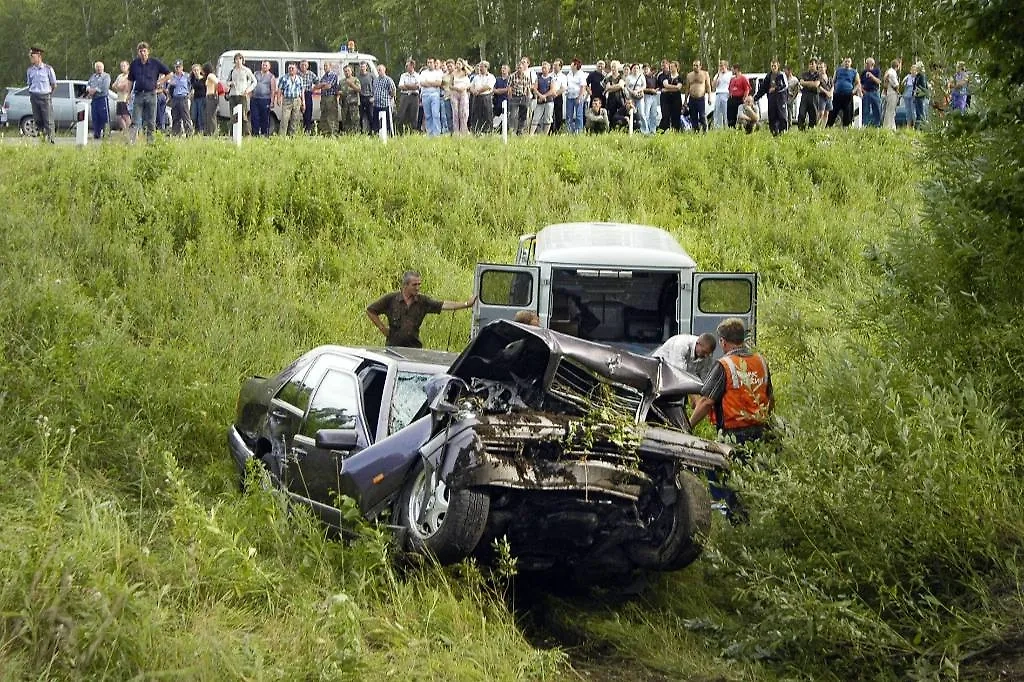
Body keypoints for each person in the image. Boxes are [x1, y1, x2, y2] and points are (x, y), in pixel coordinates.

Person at [689, 318, 773, 445]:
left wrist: (688, 427)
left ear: (723, 341)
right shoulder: (760, 361)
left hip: (733, 434)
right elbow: (770, 397)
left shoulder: (724, 364)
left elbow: (706, 402)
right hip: (761, 431)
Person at [366, 271, 477, 348]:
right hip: (393, 348)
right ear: (405, 285)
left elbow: (443, 305)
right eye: (414, 285)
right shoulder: (391, 299)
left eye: (419, 284)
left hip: (414, 349)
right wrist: (382, 328)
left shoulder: (422, 301)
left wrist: (466, 304)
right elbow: (371, 310)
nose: (418, 288)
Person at [127, 42, 171, 143]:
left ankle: (150, 143)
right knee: (135, 120)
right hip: (138, 94)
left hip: (151, 94)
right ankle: (131, 141)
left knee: (151, 120)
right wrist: (128, 94)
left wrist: (160, 82)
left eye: (144, 51)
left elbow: (169, 73)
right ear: (138, 53)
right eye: (140, 51)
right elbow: (130, 80)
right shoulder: (134, 64)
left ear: (148, 52)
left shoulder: (155, 63)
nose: (143, 53)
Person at [652, 333, 717, 380]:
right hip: (658, 370)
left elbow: (705, 376)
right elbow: (679, 374)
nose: (706, 356)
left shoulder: (707, 354)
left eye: (708, 354)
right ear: (697, 344)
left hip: (677, 375)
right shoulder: (681, 345)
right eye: (704, 352)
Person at [26, 47, 56, 143]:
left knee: (48, 120)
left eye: (33, 56)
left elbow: (54, 84)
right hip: (34, 96)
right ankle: (42, 139)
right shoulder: (30, 70)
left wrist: (49, 94)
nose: (31, 58)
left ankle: (51, 140)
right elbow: (29, 83)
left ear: (39, 56)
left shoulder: (48, 69)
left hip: (45, 96)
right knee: (38, 120)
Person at [225, 52, 256, 136]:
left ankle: (246, 134)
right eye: (236, 59)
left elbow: (254, 81)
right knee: (233, 116)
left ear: (242, 60)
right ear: (234, 61)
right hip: (233, 95)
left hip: (242, 95)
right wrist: (230, 83)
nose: (238, 61)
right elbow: (227, 82)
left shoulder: (246, 70)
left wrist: (248, 90)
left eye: (240, 59)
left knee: (243, 116)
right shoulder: (232, 71)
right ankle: (232, 135)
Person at [754, 59, 788, 136]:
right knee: (772, 117)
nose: (773, 67)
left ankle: (783, 132)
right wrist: (755, 98)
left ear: (778, 66)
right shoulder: (768, 76)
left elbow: (784, 86)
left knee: (782, 117)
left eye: (775, 66)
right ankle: (774, 133)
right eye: (772, 66)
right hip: (771, 99)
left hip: (780, 99)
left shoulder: (782, 75)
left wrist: (775, 89)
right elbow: (763, 89)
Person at [826, 57, 859, 128]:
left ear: (851, 63)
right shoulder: (838, 70)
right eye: (846, 61)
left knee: (847, 112)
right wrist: (833, 89)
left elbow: (858, 83)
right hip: (837, 94)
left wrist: (853, 91)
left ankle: (846, 127)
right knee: (833, 111)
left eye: (848, 62)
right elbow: (833, 81)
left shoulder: (854, 72)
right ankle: (828, 126)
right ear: (844, 62)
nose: (847, 63)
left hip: (848, 95)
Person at [276, 63, 304, 135]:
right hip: (287, 100)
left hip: (297, 100)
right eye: (289, 68)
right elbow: (279, 89)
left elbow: (302, 91)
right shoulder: (284, 78)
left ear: (296, 69)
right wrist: (278, 99)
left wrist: (303, 102)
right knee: (284, 119)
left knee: (295, 119)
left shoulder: (300, 79)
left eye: (292, 68)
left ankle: (293, 136)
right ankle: (282, 137)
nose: (291, 70)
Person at [85, 60, 111, 140]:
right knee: (95, 117)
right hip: (94, 99)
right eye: (97, 67)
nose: (99, 68)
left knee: (104, 117)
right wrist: (89, 89)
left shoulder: (106, 76)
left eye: (100, 67)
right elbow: (88, 84)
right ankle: (96, 134)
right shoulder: (93, 76)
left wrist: (95, 90)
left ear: (103, 67)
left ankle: (106, 134)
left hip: (102, 99)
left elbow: (105, 87)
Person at [250, 60, 277, 137]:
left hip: (265, 99)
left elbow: (273, 90)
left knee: (265, 117)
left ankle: (264, 133)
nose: (264, 66)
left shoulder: (271, 77)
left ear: (269, 67)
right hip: (255, 99)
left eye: (266, 65)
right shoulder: (255, 74)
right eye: (263, 65)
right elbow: (251, 84)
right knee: (254, 117)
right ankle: (255, 133)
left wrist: (272, 101)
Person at [685, 59, 711, 132]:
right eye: (694, 65)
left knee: (702, 116)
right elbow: (687, 88)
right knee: (693, 117)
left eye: (697, 65)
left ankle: (705, 131)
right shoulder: (689, 75)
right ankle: (695, 132)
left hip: (700, 99)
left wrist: (709, 97)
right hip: (692, 99)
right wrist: (685, 100)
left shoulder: (705, 74)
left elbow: (708, 86)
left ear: (700, 66)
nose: (695, 67)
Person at [469, 61, 495, 134]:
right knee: (476, 115)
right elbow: (471, 86)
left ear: (486, 67)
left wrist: (479, 91)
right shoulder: (476, 77)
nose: (480, 68)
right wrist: (473, 91)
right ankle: (476, 131)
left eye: (481, 66)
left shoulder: (491, 77)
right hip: (476, 97)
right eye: (479, 66)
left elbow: (488, 86)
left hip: (486, 97)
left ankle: (488, 131)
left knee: (487, 115)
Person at [167, 60, 192, 135]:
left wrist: (189, 94)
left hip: (183, 97)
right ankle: (176, 133)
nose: (177, 69)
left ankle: (189, 133)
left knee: (186, 116)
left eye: (179, 67)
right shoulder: (172, 77)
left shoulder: (187, 76)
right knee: (175, 116)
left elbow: (191, 86)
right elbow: (169, 89)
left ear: (182, 67)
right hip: (175, 98)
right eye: (176, 67)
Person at [396, 59, 421, 135]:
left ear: (412, 66)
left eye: (407, 65)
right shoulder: (403, 75)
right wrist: (412, 86)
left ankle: (413, 132)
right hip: (405, 96)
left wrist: (406, 85)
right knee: (401, 115)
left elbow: (418, 87)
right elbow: (400, 86)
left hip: (414, 97)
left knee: (413, 116)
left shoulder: (417, 75)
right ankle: (400, 132)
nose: (406, 67)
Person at [371, 64, 396, 135]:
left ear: (384, 70)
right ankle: (377, 134)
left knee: (387, 121)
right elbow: (374, 91)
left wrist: (389, 97)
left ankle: (390, 135)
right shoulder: (375, 80)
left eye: (380, 70)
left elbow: (393, 90)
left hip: (385, 104)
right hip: (376, 105)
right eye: (378, 70)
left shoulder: (388, 80)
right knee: (376, 122)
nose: (379, 72)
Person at [795, 58, 820, 130]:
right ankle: (801, 130)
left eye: (812, 64)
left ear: (816, 65)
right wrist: (810, 83)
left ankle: (811, 131)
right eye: (810, 64)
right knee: (801, 114)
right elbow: (801, 82)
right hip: (805, 96)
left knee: (813, 116)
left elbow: (816, 84)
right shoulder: (804, 74)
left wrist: (806, 83)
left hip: (814, 97)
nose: (811, 65)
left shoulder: (818, 75)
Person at [316, 61, 340, 135]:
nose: (325, 68)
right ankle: (325, 133)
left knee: (332, 116)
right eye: (324, 66)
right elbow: (318, 86)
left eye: (326, 66)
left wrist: (322, 84)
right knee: (324, 115)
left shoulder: (333, 75)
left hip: (331, 98)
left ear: (330, 66)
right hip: (323, 98)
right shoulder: (324, 76)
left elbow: (328, 86)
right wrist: (322, 84)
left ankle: (333, 133)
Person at [726, 63, 750, 128]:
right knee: (730, 116)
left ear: (736, 69)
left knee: (739, 116)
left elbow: (747, 89)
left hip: (740, 99)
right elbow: (729, 89)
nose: (732, 71)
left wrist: (744, 99)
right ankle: (731, 128)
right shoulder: (732, 79)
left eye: (732, 69)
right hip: (732, 99)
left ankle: (741, 128)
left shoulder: (743, 78)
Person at [340, 64, 362, 133]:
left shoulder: (355, 80)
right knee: (345, 122)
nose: (347, 72)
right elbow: (338, 91)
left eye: (348, 71)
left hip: (353, 105)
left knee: (355, 122)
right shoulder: (341, 81)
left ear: (351, 71)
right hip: (344, 105)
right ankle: (347, 135)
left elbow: (359, 89)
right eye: (345, 71)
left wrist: (351, 84)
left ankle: (356, 136)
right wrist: (339, 93)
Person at [298, 60, 319, 133]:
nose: (303, 66)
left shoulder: (311, 74)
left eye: (305, 65)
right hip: (298, 95)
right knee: (297, 113)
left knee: (308, 113)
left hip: (308, 94)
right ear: (300, 66)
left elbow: (317, 82)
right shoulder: (297, 73)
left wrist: (314, 89)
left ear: (307, 66)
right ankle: (299, 130)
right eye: (302, 65)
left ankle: (307, 130)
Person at [861, 57, 882, 127]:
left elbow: (879, 81)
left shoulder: (877, 71)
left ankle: (877, 125)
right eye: (866, 63)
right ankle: (865, 125)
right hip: (866, 93)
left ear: (872, 64)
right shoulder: (863, 72)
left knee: (877, 109)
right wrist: (863, 91)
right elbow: (860, 83)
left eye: (867, 63)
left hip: (874, 92)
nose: (866, 65)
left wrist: (871, 76)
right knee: (865, 109)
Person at [711, 60, 733, 129]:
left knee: (726, 112)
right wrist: (718, 76)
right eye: (720, 66)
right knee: (717, 112)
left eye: (722, 65)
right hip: (718, 94)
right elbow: (714, 86)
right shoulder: (717, 75)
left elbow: (732, 84)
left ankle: (727, 127)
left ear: (726, 66)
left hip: (726, 94)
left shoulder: (730, 74)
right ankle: (718, 128)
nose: (721, 67)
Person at [113, 60, 132, 134]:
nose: (123, 67)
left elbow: (124, 87)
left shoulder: (129, 75)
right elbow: (114, 86)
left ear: (128, 66)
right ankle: (125, 131)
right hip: (119, 98)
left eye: (124, 66)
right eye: (121, 66)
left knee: (126, 115)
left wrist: (119, 86)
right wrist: (119, 86)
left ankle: (130, 131)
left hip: (125, 98)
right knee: (119, 117)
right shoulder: (120, 76)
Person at [882, 58, 902, 131]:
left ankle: (893, 127)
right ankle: (887, 127)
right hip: (892, 93)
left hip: (888, 92)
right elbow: (895, 84)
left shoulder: (888, 71)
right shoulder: (892, 73)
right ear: (897, 65)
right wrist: (898, 92)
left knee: (891, 111)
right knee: (890, 111)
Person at [189, 64, 207, 134]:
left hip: (202, 98)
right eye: (194, 70)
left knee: (201, 115)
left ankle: (201, 130)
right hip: (195, 99)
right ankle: (196, 130)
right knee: (194, 115)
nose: (196, 72)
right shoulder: (192, 80)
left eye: (197, 70)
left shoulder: (203, 79)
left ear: (200, 70)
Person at [203, 62, 219, 136]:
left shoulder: (210, 75)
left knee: (211, 115)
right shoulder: (209, 76)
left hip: (211, 96)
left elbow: (217, 82)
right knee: (209, 115)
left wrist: (215, 92)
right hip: (209, 97)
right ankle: (209, 131)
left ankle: (212, 132)